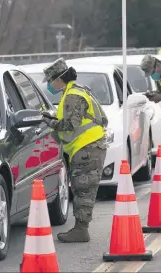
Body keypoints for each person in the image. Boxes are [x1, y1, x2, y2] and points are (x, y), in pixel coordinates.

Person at [40, 58, 108, 243]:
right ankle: (80, 227)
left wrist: (50, 122)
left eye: (49, 81)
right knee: (81, 188)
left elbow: (70, 124)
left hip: (87, 147)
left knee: (83, 189)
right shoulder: (75, 91)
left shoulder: (73, 96)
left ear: (58, 79)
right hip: (88, 147)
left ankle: (81, 229)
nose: (49, 85)